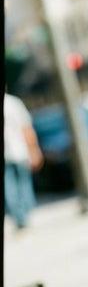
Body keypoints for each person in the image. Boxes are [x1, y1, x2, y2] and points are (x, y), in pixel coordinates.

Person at [4, 90, 44, 230]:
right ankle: (24, 215)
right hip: (19, 150)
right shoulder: (14, 103)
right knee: (23, 183)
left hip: (14, 151)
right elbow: (26, 128)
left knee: (9, 187)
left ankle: (20, 217)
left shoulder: (14, 103)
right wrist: (34, 149)